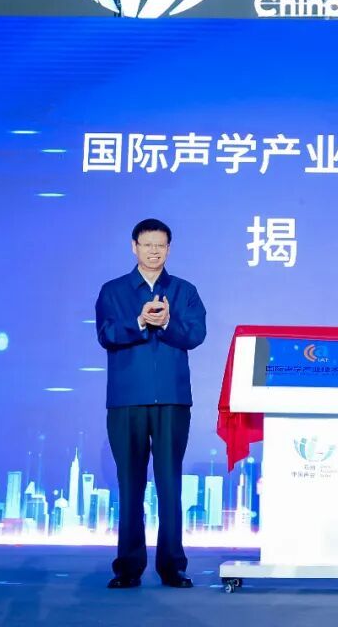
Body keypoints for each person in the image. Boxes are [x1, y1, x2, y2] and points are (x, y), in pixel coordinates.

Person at [95, 218, 206, 589]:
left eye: (160, 245)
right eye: (147, 245)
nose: (154, 251)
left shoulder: (185, 291)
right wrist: (140, 321)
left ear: (169, 248)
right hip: (126, 400)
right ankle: (128, 567)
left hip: (172, 399)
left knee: (170, 483)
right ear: (134, 247)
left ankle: (172, 566)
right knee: (130, 484)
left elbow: (197, 334)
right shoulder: (113, 290)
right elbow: (106, 334)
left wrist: (169, 322)